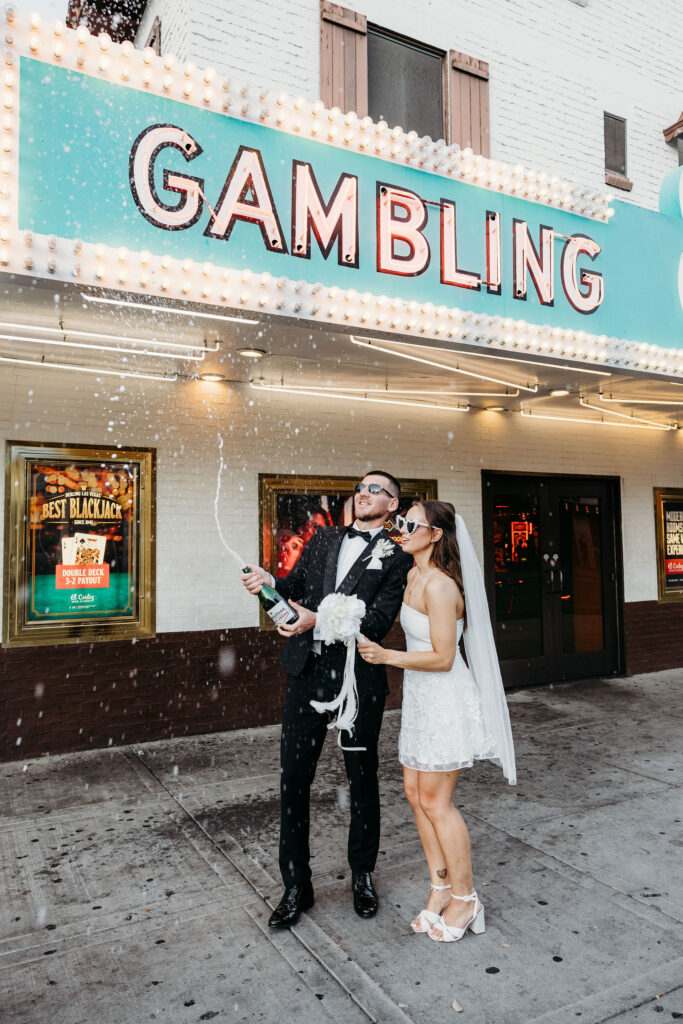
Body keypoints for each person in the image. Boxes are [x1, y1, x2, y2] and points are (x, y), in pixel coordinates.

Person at [241, 471, 412, 928]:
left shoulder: (397, 556)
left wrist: (313, 619)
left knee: (362, 778)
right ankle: (296, 884)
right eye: (361, 486)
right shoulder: (323, 539)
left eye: (377, 489)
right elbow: (293, 587)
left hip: (359, 681)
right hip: (307, 674)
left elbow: (375, 622)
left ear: (393, 505)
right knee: (294, 780)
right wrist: (268, 583)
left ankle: (362, 874)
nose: (364, 492)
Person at [358, 500, 516, 943]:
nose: (401, 528)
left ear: (436, 534)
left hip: (446, 699)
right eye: (401, 521)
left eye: (411, 523)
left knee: (436, 802)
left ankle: (467, 899)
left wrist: (387, 656)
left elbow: (445, 658)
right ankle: (440, 887)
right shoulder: (412, 575)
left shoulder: (442, 587)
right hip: (421, 700)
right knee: (414, 794)